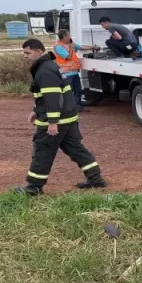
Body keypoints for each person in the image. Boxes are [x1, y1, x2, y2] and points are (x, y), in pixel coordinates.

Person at [11, 38, 107, 196]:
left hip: (58, 119)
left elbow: (53, 97)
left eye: (27, 53)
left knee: (43, 151)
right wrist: (36, 110)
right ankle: (95, 178)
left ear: (38, 52)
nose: (25, 56)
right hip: (68, 118)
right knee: (75, 149)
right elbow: (50, 95)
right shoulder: (51, 66)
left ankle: (34, 187)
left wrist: (52, 122)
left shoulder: (45, 70)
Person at [53, 30, 99, 112]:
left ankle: (78, 107)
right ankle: (69, 109)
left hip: (74, 72)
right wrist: (71, 47)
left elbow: (81, 47)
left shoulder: (69, 44)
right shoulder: (58, 47)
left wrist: (93, 47)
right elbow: (68, 57)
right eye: (68, 36)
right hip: (66, 74)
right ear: (64, 37)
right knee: (69, 92)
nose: (70, 37)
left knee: (78, 90)